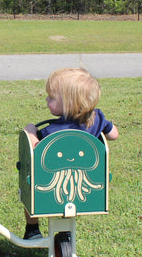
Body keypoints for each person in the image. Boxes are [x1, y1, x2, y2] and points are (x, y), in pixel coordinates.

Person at [21, 67, 119, 239]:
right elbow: (114, 135)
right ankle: (65, 228)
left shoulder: (52, 133)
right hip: (84, 187)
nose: (46, 99)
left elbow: (37, 151)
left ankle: (32, 229)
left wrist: (30, 132)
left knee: (29, 183)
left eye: (51, 97)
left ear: (68, 104)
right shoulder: (97, 118)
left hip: (52, 187)